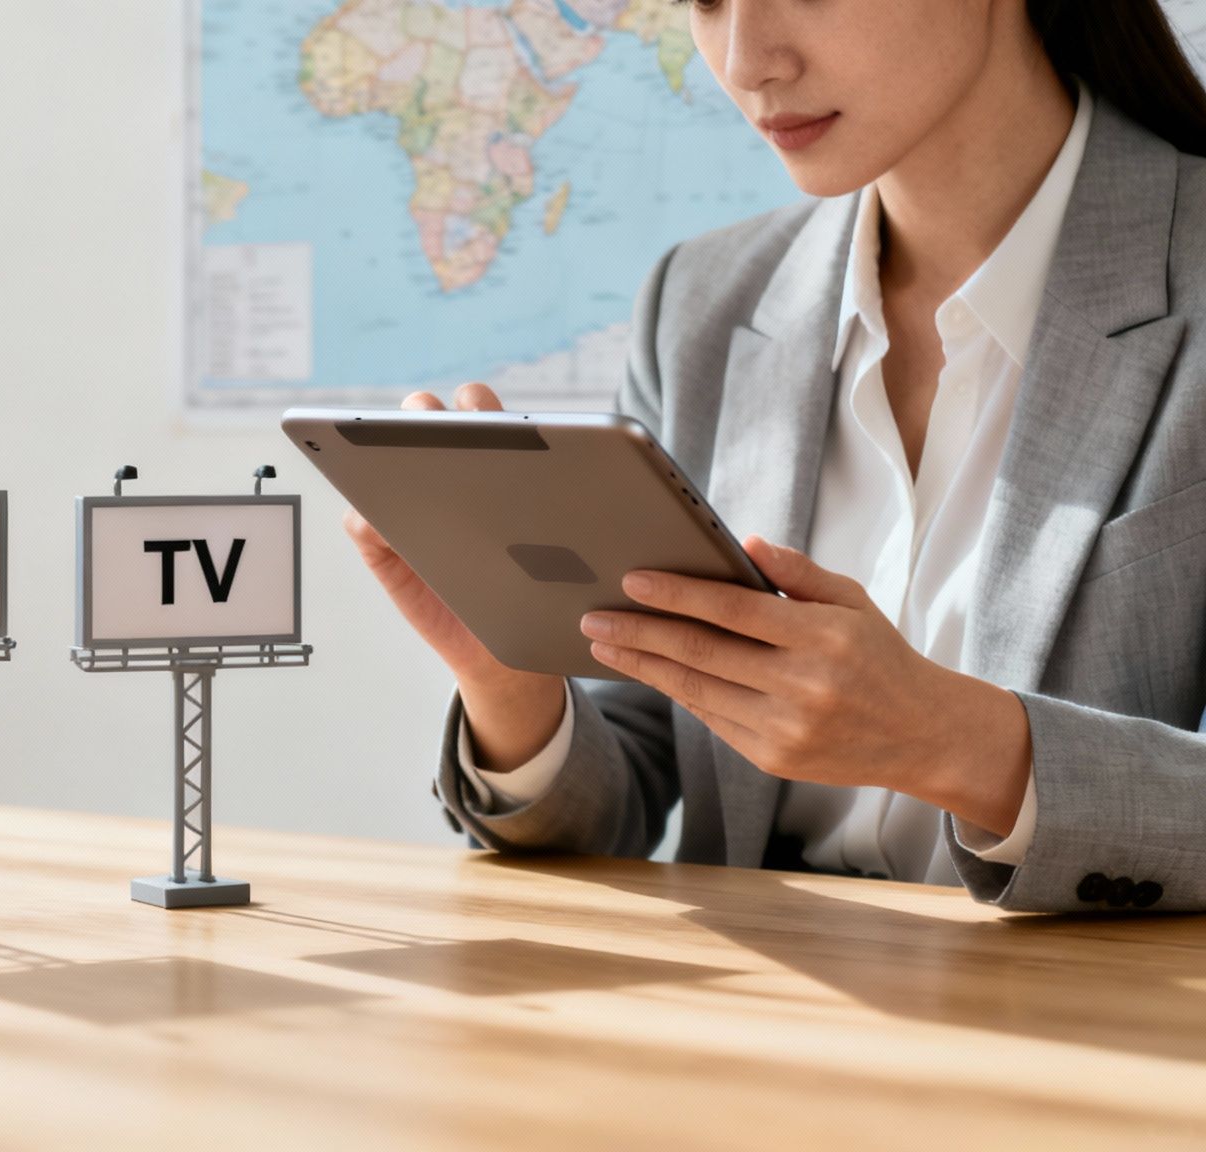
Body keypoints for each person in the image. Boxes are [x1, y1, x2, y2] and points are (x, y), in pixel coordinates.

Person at [349, 0, 1206, 913]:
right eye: (706, 2)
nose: (749, 61)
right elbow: (617, 808)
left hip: (1088, 1035)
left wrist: (956, 744)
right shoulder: (701, 304)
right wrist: (510, 686)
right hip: (762, 1021)